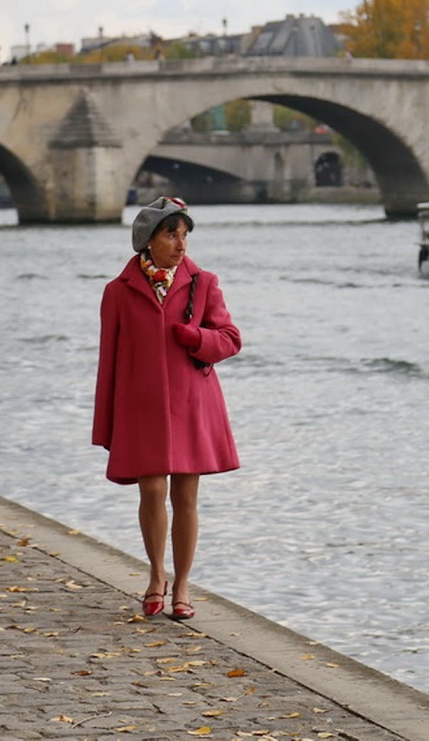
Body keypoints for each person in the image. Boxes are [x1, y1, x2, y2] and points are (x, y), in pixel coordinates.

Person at [92, 197, 242, 622]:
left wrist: (196, 338)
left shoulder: (205, 283)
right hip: (140, 406)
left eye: (185, 235)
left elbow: (230, 338)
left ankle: (183, 584)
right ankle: (156, 576)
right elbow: (109, 362)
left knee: (186, 496)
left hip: (192, 403)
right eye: (171, 234)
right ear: (148, 240)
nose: (181, 244)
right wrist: (106, 424)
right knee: (152, 491)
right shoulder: (117, 291)